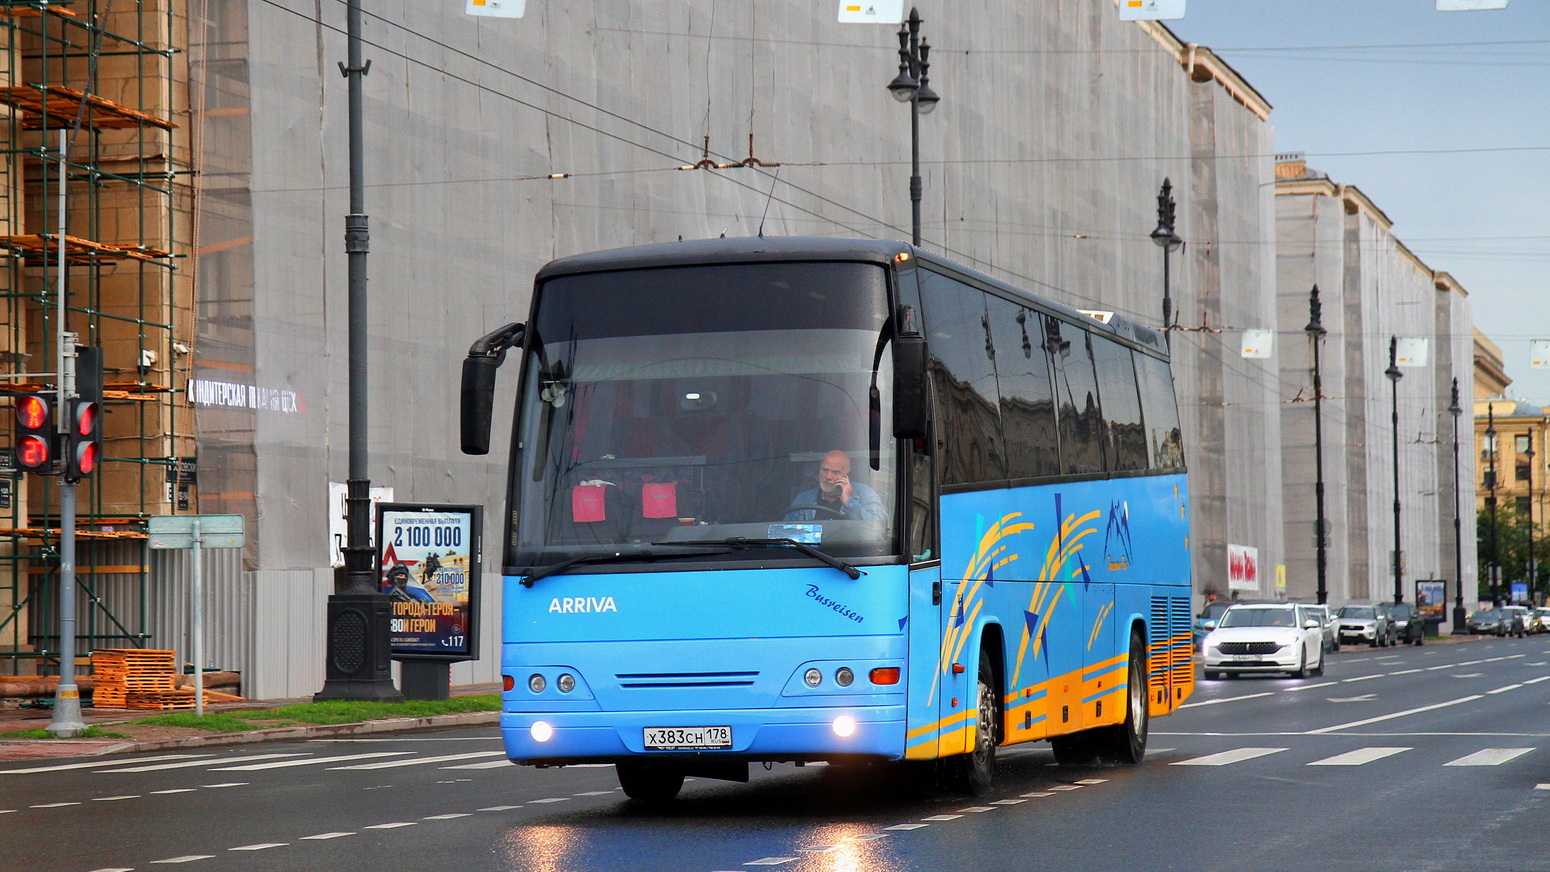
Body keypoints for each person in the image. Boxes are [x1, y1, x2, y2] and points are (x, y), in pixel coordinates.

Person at [784, 449, 885, 521]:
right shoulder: (804, 498)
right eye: (825, 470)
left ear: (846, 476)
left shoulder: (864, 493)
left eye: (835, 472)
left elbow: (877, 528)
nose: (828, 476)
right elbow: (786, 532)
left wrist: (849, 501)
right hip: (810, 551)